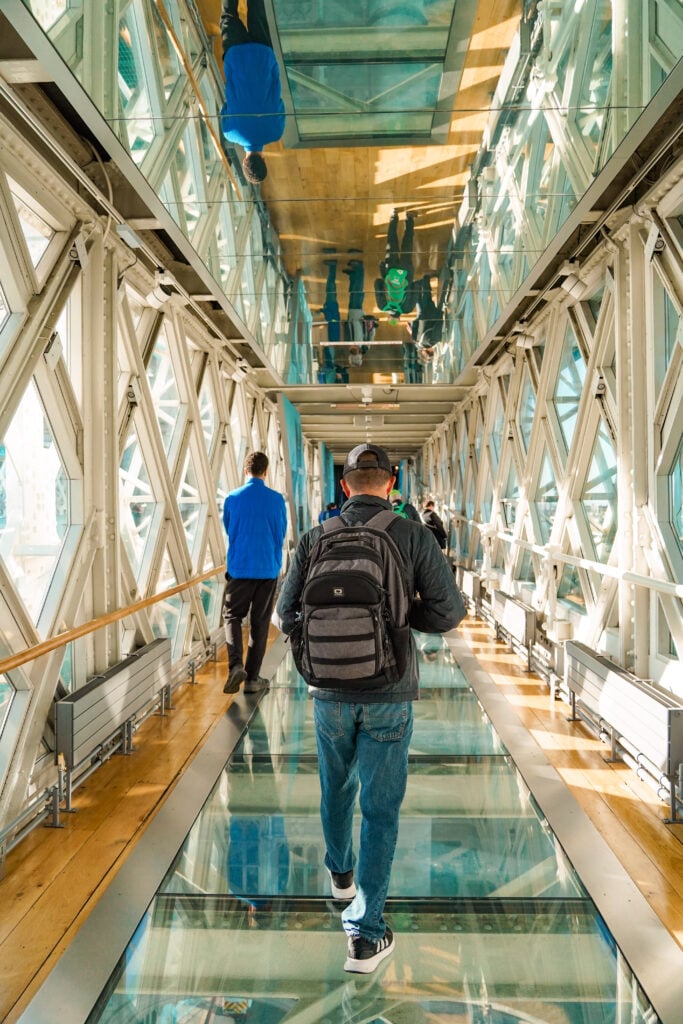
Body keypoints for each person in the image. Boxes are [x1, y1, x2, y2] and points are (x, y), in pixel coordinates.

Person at [276, 443, 466, 973]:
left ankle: (341, 877)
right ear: (391, 483)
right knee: (380, 810)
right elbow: (450, 612)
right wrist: (398, 626)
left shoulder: (316, 538)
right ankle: (365, 935)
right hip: (390, 692)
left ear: (344, 486)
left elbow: (285, 615)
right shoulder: (412, 535)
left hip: (329, 694)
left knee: (335, 786)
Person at [222, 451, 287, 695]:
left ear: (244, 470)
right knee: (260, 623)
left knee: (232, 617)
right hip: (267, 569)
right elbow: (281, 532)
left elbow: (230, 529)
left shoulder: (232, 498)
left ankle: (236, 664)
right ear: (266, 471)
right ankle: (252, 680)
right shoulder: (276, 499)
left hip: (239, 569)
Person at [220, 0, 285, 185]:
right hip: (236, 56)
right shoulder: (230, 133)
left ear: (264, 160)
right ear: (243, 161)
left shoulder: (276, 131)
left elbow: (279, 102)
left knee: (258, 10)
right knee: (228, 15)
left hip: (263, 56)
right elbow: (226, 106)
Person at [374, 210, 416, 320]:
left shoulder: (407, 309)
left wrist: (408, 283)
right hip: (390, 269)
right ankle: (394, 216)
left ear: (399, 317)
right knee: (391, 241)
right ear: (389, 315)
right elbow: (377, 283)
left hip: (406, 271)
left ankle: (409, 218)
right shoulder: (382, 306)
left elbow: (415, 288)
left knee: (408, 243)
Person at [343, 259, 365, 342]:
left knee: (353, 293)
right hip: (357, 313)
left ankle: (353, 275)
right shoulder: (359, 343)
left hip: (353, 313)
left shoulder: (354, 343)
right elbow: (357, 327)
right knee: (357, 290)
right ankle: (359, 268)